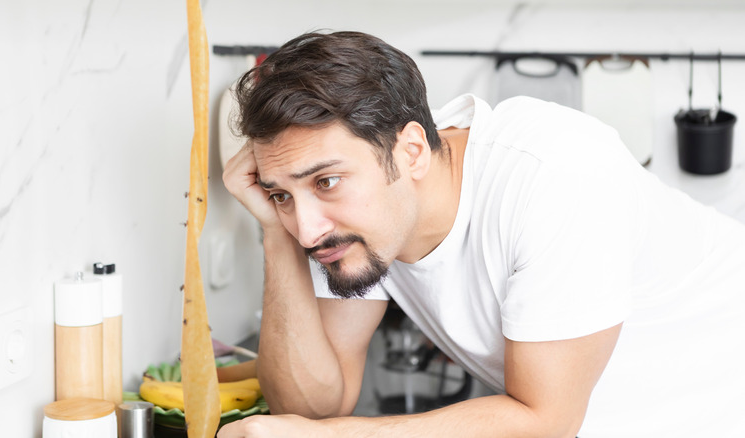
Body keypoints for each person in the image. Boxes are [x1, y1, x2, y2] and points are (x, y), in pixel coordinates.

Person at [217, 30, 745, 437]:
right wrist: (274, 232)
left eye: (326, 182)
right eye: (282, 194)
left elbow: (545, 421)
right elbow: (315, 407)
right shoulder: (348, 221)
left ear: (412, 151)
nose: (308, 230)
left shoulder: (554, 173)